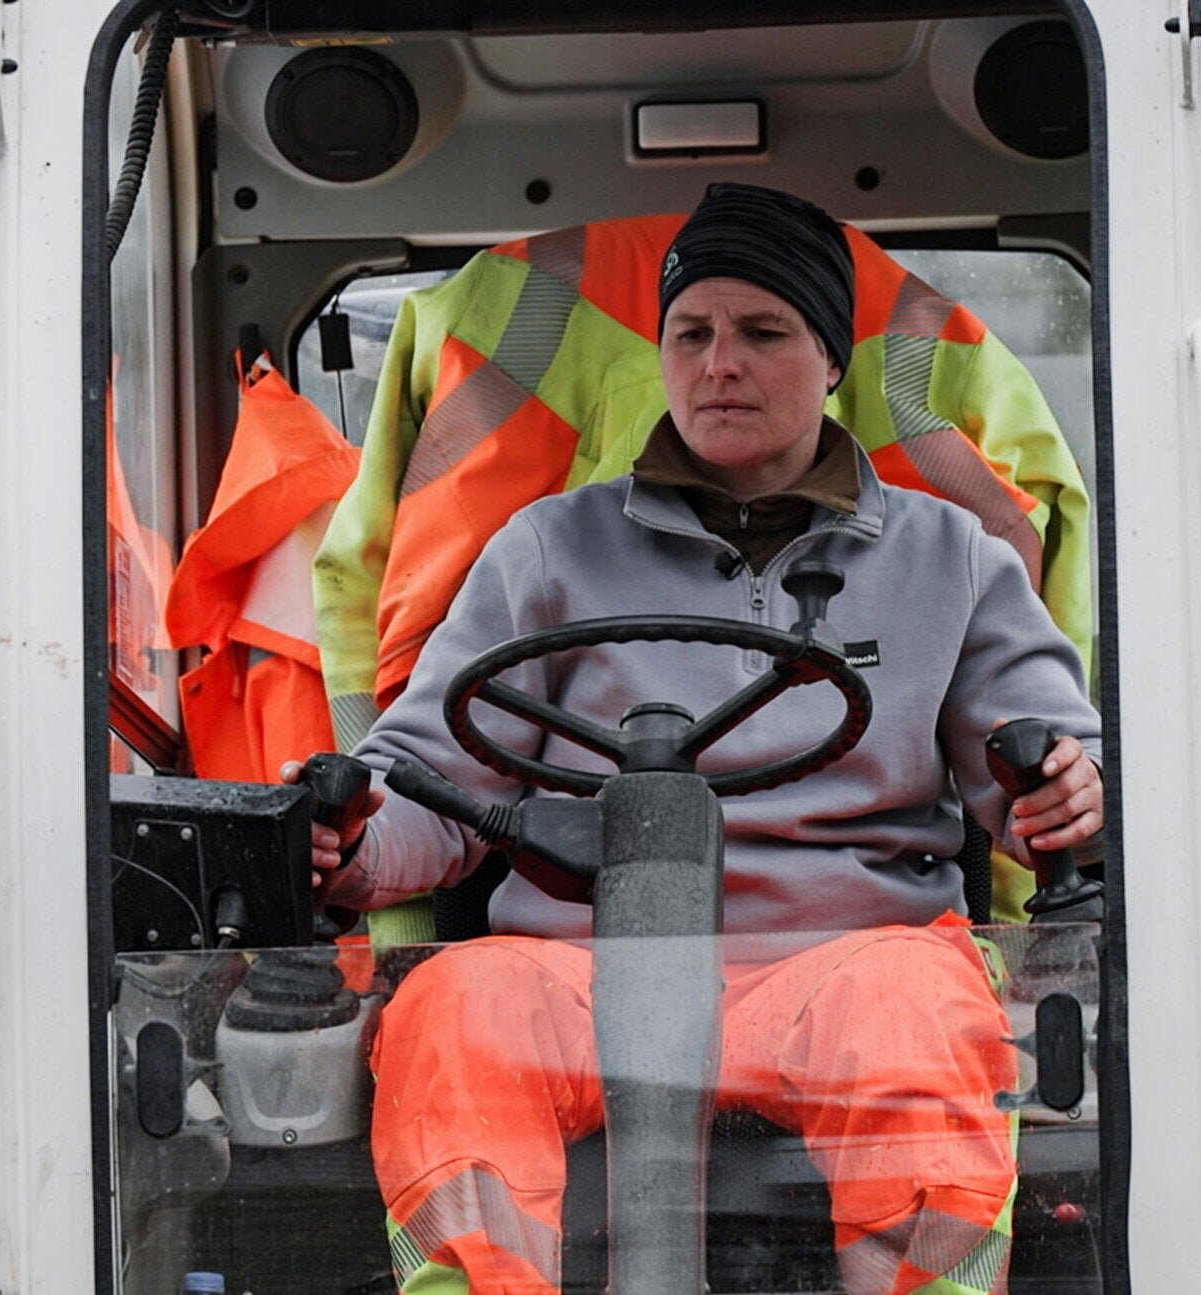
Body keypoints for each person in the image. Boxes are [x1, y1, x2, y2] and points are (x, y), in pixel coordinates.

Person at [290, 183, 1104, 1295]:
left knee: (922, 1010)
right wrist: (349, 842)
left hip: (846, 956)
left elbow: (1045, 762)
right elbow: (424, 779)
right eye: (691, 333)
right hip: (578, 974)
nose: (718, 363)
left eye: (761, 332)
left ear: (830, 359)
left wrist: (1063, 789)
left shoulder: (949, 557)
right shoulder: (544, 549)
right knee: (453, 1006)